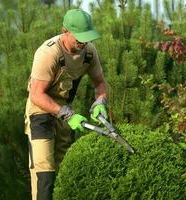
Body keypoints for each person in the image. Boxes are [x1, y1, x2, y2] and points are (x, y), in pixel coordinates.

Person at [24, 9, 108, 200]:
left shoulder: (88, 52)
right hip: (40, 112)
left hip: (65, 113)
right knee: (44, 173)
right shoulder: (48, 53)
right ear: (65, 31)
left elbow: (100, 83)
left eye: (87, 38)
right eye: (79, 38)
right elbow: (36, 95)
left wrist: (100, 101)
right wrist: (67, 114)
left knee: (64, 170)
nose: (83, 43)